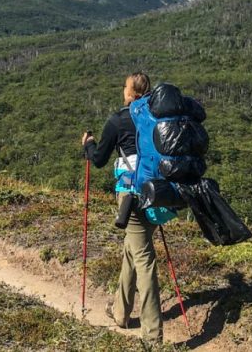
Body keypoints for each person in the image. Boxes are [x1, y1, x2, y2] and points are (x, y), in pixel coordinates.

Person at [81, 72, 163, 345]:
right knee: (133, 249)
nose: (123, 89)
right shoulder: (157, 116)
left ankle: (153, 336)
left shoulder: (118, 120)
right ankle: (120, 313)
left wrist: (88, 146)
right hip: (158, 192)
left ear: (131, 93)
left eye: (125, 87)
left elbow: (100, 160)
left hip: (131, 196)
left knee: (144, 259)